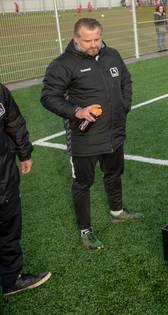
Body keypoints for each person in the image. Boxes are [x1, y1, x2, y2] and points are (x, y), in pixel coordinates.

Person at [41, 18, 142, 251]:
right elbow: (48, 97)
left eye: (97, 38)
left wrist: (124, 104)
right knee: (83, 184)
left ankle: (117, 211)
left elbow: (125, 80)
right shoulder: (63, 64)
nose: (94, 44)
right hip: (84, 139)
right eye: (88, 41)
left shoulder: (112, 54)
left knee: (114, 173)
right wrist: (77, 111)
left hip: (114, 133)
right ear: (76, 39)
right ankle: (85, 230)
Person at [0, 84, 51, 296]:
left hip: (4, 173)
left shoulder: (0, 91)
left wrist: (24, 152)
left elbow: (13, 121)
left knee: (9, 225)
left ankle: (12, 279)